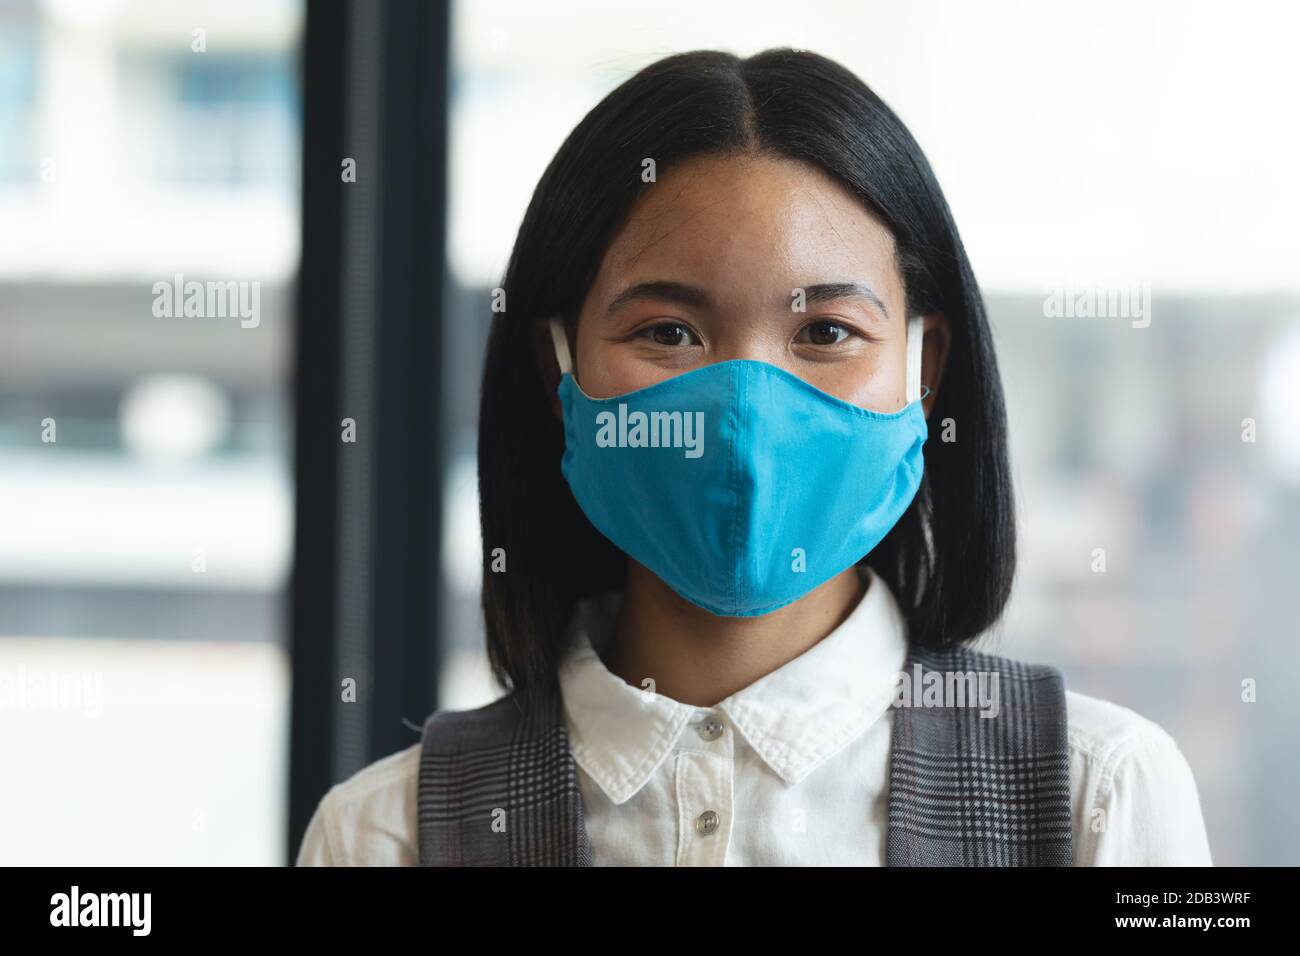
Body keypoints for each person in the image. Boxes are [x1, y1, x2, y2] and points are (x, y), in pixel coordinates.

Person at [297, 47, 1212, 866]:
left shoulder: (1097, 800)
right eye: (668, 331)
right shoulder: (386, 836)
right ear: (559, 368)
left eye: (825, 330)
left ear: (921, 373)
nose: (741, 410)